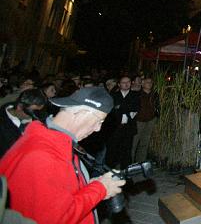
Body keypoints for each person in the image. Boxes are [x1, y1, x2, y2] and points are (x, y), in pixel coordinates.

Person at [0, 87, 125, 224]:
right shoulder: (41, 155)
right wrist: (100, 189)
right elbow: (54, 219)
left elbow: (59, 194)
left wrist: (89, 186)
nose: (97, 129)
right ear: (81, 113)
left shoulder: (57, 141)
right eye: (99, 121)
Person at [0, 89, 46, 157]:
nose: (35, 116)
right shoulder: (2, 127)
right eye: (33, 112)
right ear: (20, 107)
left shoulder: (33, 117)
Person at [106, 76, 140, 168]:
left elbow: (135, 110)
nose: (126, 84)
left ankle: (126, 173)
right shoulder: (113, 96)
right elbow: (111, 112)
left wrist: (120, 108)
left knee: (127, 151)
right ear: (119, 84)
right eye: (123, 82)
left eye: (128, 82)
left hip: (128, 128)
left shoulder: (135, 95)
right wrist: (124, 110)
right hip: (115, 128)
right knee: (113, 150)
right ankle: (110, 172)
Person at [132, 77, 159, 163]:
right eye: (147, 82)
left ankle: (141, 162)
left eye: (151, 82)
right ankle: (130, 163)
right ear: (142, 84)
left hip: (150, 121)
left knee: (145, 143)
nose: (150, 83)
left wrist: (156, 116)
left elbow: (158, 106)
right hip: (139, 121)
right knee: (134, 143)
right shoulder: (137, 94)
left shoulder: (155, 94)